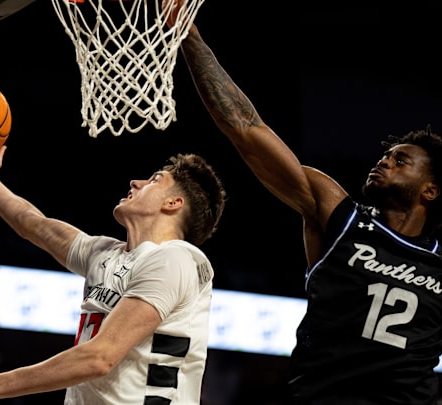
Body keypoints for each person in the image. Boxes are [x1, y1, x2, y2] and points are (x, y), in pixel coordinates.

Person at [166, 4, 442, 404]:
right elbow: (246, 130)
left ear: (431, 191)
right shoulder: (338, 215)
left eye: (402, 160)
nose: (385, 160)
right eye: (387, 154)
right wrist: (190, 37)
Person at [0, 145, 226, 405]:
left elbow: (100, 357)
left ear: (173, 203)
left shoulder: (176, 258)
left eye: (154, 180)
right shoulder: (105, 254)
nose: (135, 182)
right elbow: (33, 225)